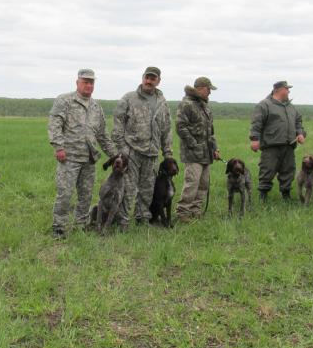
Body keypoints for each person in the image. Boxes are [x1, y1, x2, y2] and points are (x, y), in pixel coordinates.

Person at [48, 69, 117, 239]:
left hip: (89, 158)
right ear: (77, 82)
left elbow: (102, 135)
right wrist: (59, 147)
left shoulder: (96, 106)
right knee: (65, 193)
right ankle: (59, 227)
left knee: (86, 195)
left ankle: (81, 224)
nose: (89, 85)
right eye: (85, 81)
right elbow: (54, 124)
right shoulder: (64, 100)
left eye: (91, 82)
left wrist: (115, 155)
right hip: (69, 157)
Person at [112, 67, 173, 228]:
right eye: (147, 77)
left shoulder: (162, 102)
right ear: (142, 78)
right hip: (132, 152)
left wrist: (167, 153)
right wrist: (122, 148)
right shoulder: (129, 98)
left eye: (153, 78)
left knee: (147, 189)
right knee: (128, 188)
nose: (149, 81)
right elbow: (118, 123)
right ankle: (122, 221)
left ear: (158, 81)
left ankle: (143, 218)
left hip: (152, 154)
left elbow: (166, 129)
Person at [249, 80, 306, 202]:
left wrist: (300, 133)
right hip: (271, 146)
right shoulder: (264, 105)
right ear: (278, 90)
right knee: (267, 170)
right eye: (287, 89)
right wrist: (254, 139)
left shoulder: (291, 107)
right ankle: (263, 197)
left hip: (289, 145)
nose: (289, 91)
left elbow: (298, 122)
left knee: (288, 171)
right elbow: (256, 123)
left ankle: (286, 196)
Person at [175, 76, 220, 221]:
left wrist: (215, 148)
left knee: (203, 184)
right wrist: (194, 145)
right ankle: (183, 213)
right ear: (200, 88)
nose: (210, 93)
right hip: (193, 154)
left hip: (207, 153)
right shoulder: (186, 104)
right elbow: (181, 127)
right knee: (192, 184)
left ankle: (196, 211)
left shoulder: (205, 106)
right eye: (208, 89)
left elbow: (210, 131)